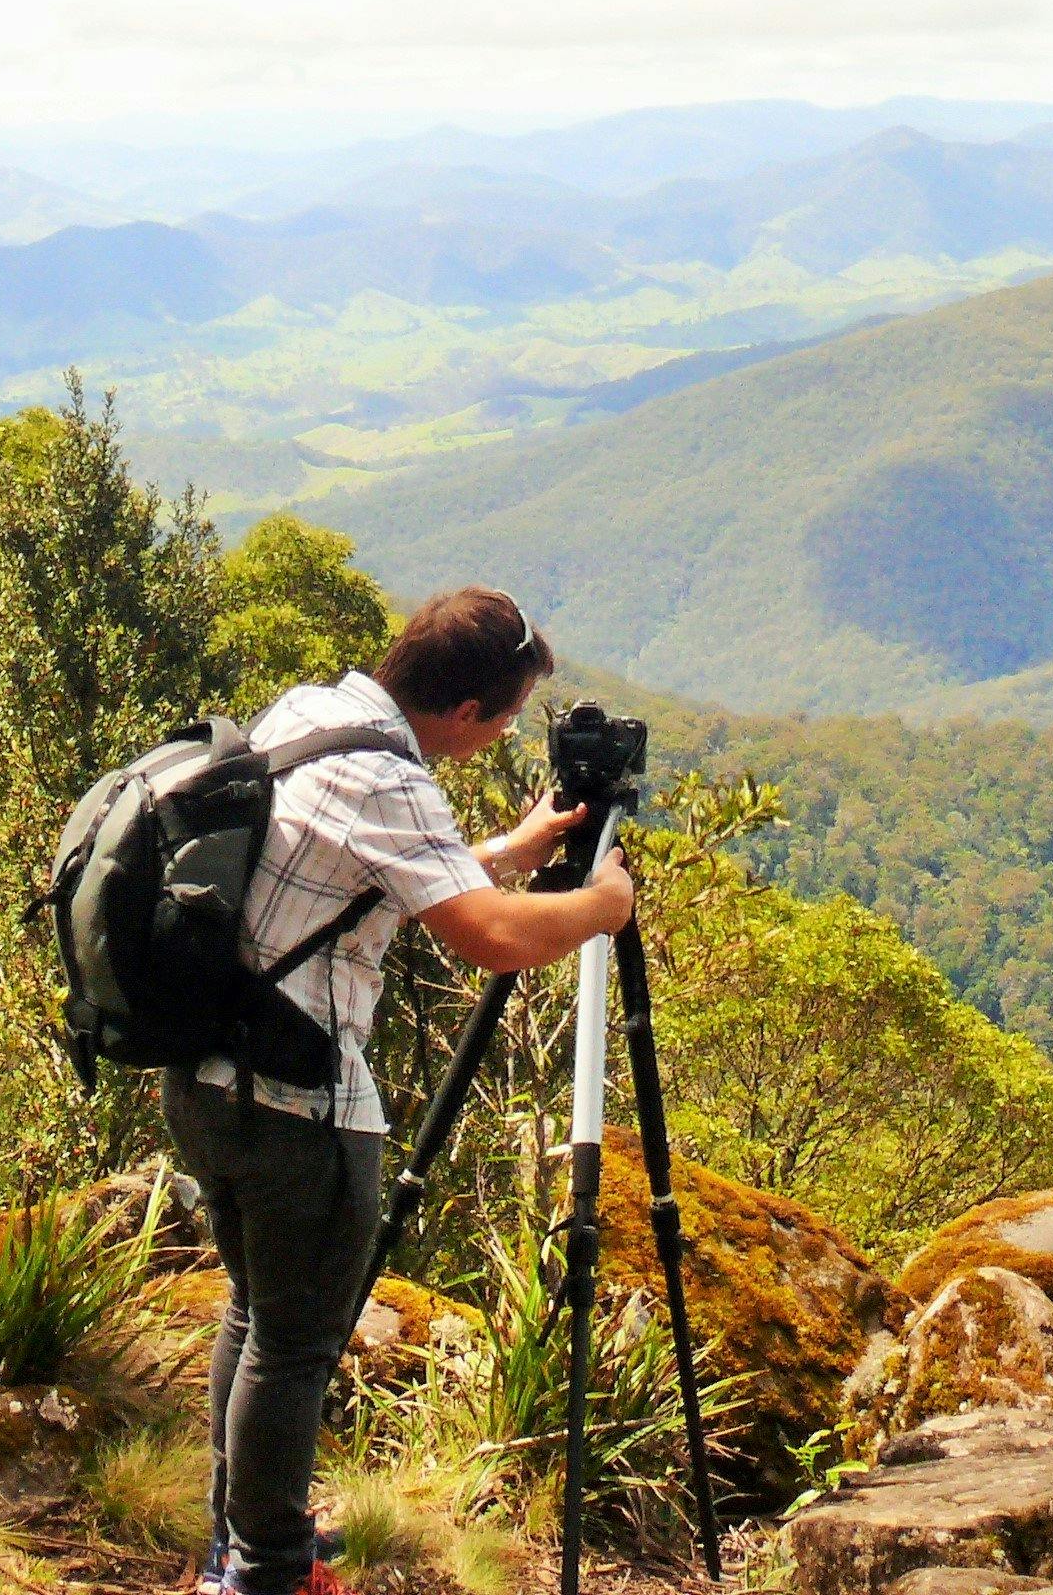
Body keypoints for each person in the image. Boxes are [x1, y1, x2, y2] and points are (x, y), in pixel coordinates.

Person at [166, 584, 634, 1595]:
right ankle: (271, 1573)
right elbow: (488, 936)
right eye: (506, 717)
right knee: (296, 1345)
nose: (505, 732)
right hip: (299, 1104)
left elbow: (382, 870)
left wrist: (513, 849)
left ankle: (239, 1545)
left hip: (207, 1079)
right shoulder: (394, 779)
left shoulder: (309, 715)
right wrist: (602, 906)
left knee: (256, 1319)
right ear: (466, 713)